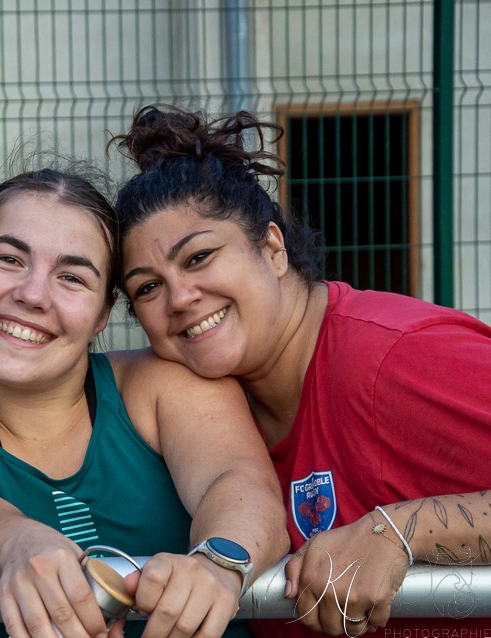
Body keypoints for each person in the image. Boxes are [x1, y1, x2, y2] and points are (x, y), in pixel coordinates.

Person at [111, 104, 491, 637]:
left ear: (272, 248)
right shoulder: (198, 411)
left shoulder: (393, 359)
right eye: (146, 287)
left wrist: (402, 530)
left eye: (198, 258)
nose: (179, 297)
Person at [0, 166, 288, 638]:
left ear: (103, 313)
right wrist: (22, 546)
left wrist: (217, 561)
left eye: (73, 278)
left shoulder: (162, 383)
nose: (33, 295)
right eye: (9, 260)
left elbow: (238, 482)